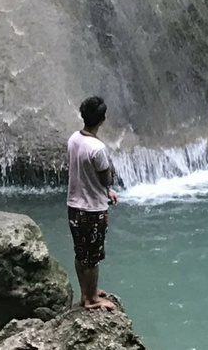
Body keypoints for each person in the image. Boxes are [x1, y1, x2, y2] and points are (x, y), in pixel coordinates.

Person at [67, 96, 119, 310]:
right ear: (102, 119)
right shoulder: (97, 148)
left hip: (74, 206)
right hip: (93, 210)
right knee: (94, 256)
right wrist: (108, 184)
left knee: (81, 253)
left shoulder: (73, 139)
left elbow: (85, 174)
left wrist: (107, 191)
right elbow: (105, 177)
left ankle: (86, 293)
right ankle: (92, 299)